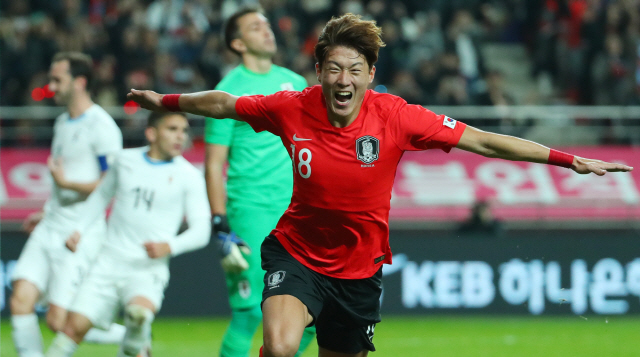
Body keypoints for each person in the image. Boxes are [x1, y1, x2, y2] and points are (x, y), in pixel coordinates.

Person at [127, 13, 633, 357]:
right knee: (279, 346)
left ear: (370, 74)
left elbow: (481, 141)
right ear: (320, 72)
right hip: (296, 252)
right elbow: (222, 103)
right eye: (333, 68)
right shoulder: (291, 106)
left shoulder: (397, 116)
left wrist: (569, 161)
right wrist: (165, 101)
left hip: (358, 270)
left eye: (354, 69)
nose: (343, 79)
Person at [44, 111, 211, 357]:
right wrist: (78, 229)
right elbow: (101, 196)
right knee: (71, 329)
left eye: (184, 131)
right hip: (107, 262)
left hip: (147, 269)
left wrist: (170, 246)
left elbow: (202, 231)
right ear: (151, 133)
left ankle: (136, 342)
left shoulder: (190, 176)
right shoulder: (124, 161)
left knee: (139, 316)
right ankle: (138, 343)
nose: (181, 137)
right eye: (172, 129)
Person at [204, 7, 314, 357]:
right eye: (255, 27)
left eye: (266, 24)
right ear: (238, 43)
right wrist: (220, 221)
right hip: (251, 209)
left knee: (314, 313)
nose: (267, 31)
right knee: (251, 311)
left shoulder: (295, 83)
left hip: (297, 210)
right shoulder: (227, 91)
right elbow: (214, 163)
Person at [10, 51, 125, 357]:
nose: (51, 85)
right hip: (51, 224)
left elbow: (110, 186)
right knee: (20, 299)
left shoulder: (102, 126)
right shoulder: (62, 122)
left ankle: (129, 333)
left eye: (57, 79)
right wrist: (45, 211)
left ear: (80, 82)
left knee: (59, 321)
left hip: (79, 230)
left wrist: (68, 185)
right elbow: (61, 178)